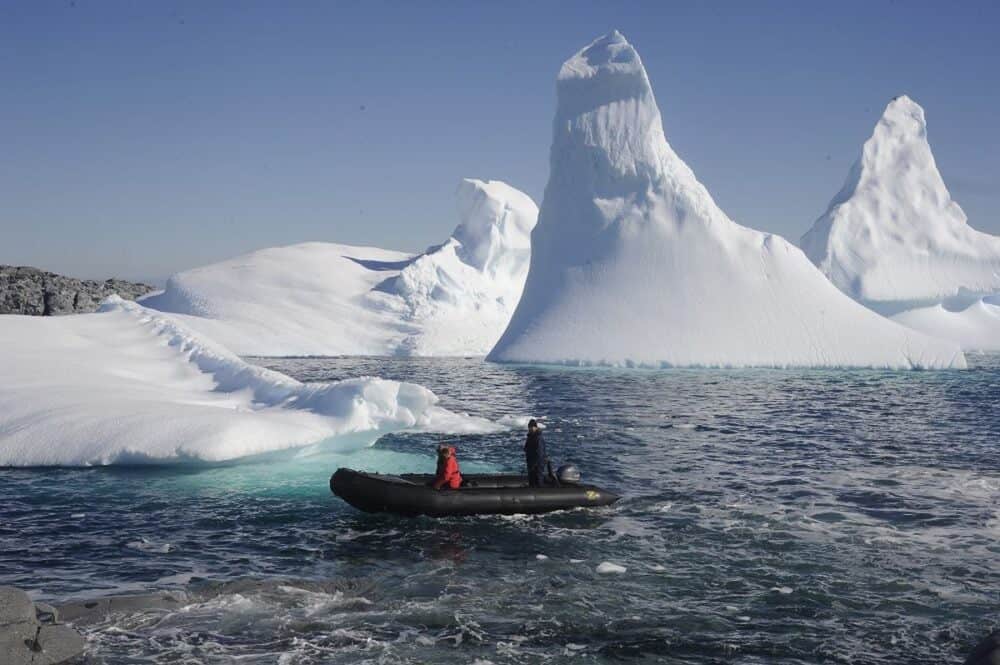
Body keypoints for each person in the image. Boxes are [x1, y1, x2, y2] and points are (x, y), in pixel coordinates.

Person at [524, 419, 547, 488]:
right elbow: (527, 447)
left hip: (537, 463)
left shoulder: (538, 438)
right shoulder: (530, 436)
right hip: (531, 461)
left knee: (538, 478)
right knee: (531, 479)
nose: (530, 429)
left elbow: (540, 451)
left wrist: (536, 463)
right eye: (529, 427)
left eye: (531, 427)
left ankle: (540, 490)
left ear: (535, 427)